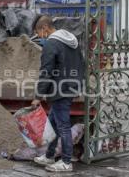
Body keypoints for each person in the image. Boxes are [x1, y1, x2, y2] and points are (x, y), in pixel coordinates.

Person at [31, 15, 84, 172]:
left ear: (45, 28)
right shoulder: (72, 42)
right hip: (70, 87)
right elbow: (82, 63)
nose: (39, 37)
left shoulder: (51, 44)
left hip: (59, 90)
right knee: (53, 124)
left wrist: (37, 96)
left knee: (63, 126)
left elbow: (45, 71)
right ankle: (49, 155)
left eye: (38, 33)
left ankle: (66, 162)